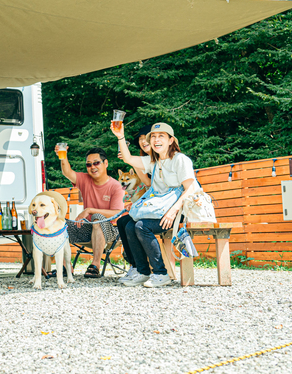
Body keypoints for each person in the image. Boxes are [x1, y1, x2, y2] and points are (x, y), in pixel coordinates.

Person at [114, 122, 198, 288]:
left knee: (141, 226)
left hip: (179, 209)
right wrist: (120, 136)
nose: (156, 139)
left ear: (171, 140)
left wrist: (172, 211)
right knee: (130, 225)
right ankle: (143, 272)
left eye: (161, 136)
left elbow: (191, 189)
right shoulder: (154, 162)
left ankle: (160, 273)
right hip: (161, 209)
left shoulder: (180, 160)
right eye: (153, 136)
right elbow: (129, 159)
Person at [58, 147, 125, 278]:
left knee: (97, 217)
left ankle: (95, 265)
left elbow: (117, 213)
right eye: (88, 164)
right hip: (89, 229)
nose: (92, 167)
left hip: (112, 232)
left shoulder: (116, 186)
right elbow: (67, 172)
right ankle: (66, 265)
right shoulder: (84, 179)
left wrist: (89, 210)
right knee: (59, 222)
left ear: (106, 163)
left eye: (96, 163)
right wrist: (63, 155)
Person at [115, 127, 152, 283]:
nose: (143, 141)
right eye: (140, 139)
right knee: (121, 221)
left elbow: (148, 184)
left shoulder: (158, 159)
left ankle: (143, 269)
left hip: (159, 206)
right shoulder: (145, 159)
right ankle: (135, 266)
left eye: (146, 138)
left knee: (131, 225)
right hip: (150, 204)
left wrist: (132, 161)